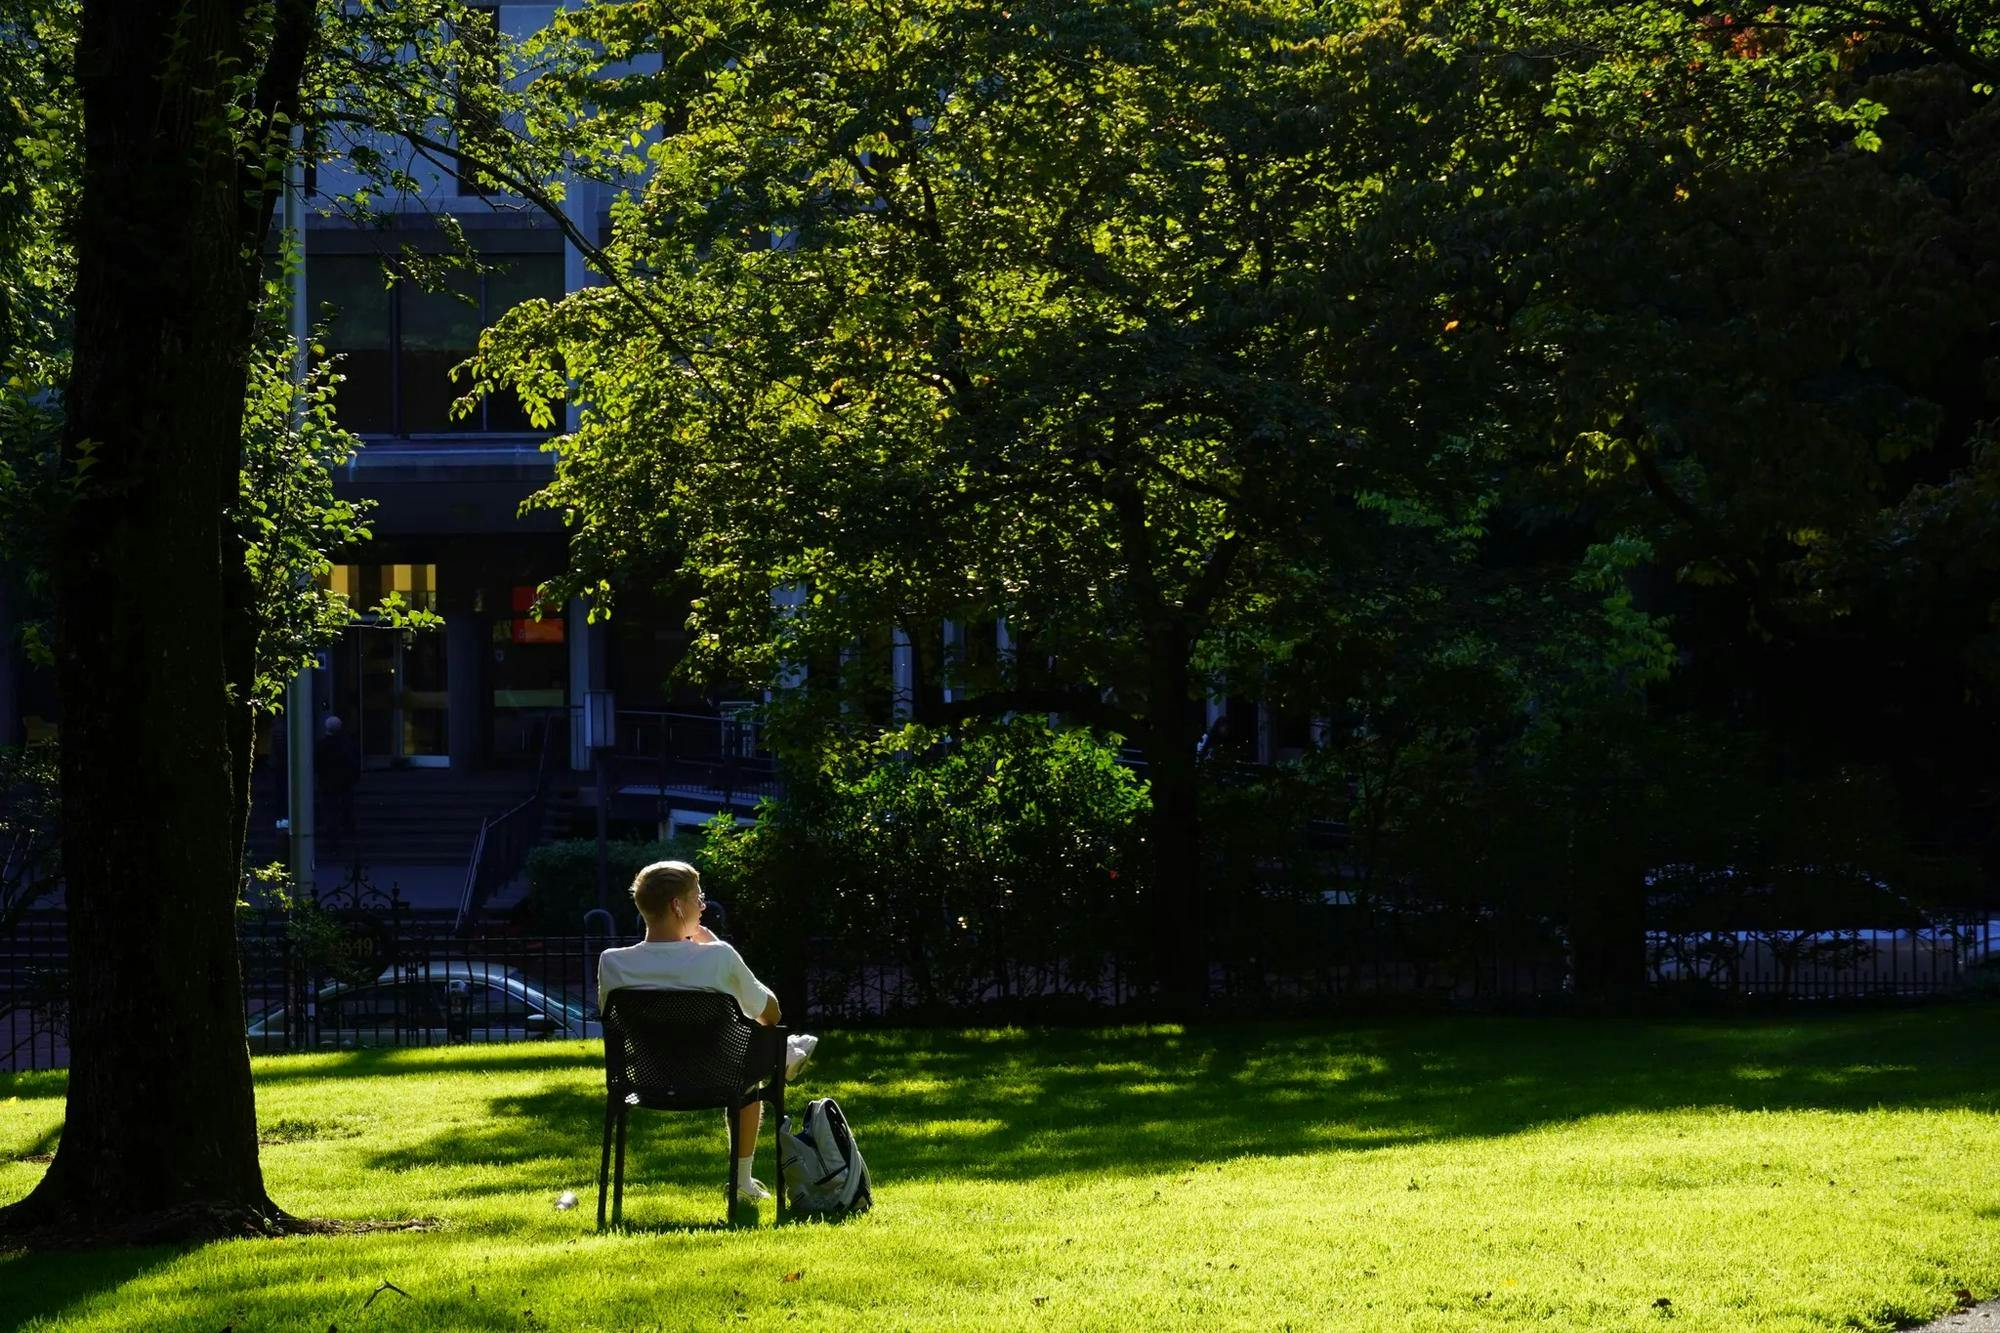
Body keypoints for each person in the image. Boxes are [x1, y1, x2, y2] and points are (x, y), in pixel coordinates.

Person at [598, 860, 782, 1202]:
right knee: (759, 1057)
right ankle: (741, 1182)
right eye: (698, 897)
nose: (702, 906)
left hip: (644, 1080)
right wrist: (717, 949)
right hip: (720, 1080)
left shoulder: (612, 962)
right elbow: (770, 1012)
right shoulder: (718, 957)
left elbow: (613, 1021)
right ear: (676, 905)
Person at [314, 714, 358, 847]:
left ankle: (333, 839)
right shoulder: (346, 744)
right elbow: (352, 762)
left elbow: (317, 764)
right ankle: (348, 831)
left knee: (330, 811)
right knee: (345, 806)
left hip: (327, 783)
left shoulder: (322, 745)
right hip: (344, 782)